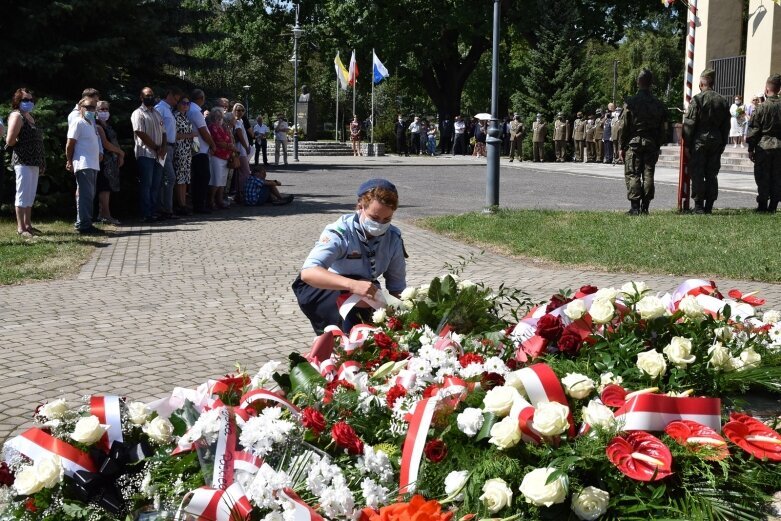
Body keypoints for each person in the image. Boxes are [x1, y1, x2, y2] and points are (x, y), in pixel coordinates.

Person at [292, 178, 406, 335]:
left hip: (364, 288)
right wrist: (352, 285)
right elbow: (308, 272)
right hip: (326, 287)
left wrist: (404, 315)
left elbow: (397, 287)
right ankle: (341, 344)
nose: (380, 224)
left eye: (387, 219)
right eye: (374, 217)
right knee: (355, 311)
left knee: (377, 323)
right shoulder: (340, 231)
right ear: (361, 206)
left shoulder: (393, 238)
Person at [619, 68, 668, 215]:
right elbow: (664, 128)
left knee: (633, 173)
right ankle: (645, 207)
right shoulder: (659, 104)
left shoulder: (631, 102)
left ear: (638, 82)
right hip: (651, 142)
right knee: (648, 174)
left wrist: (621, 146)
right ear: (651, 83)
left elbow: (624, 126)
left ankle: (635, 208)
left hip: (634, 143)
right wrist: (658, 144)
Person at [682, 69, 730, 214]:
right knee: (711, 174)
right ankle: (709, 205)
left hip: (699, 141)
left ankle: (698, 206)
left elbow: (690, 124)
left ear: (701, 83)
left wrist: (687, 143)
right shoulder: (722, 100)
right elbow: (726, 125)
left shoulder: (697, 100)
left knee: (697, 173)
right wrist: (722, 143)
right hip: (715, 140)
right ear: (713, 83)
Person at [5, 88, 45, 238]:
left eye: (30, 100)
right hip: (22, 161)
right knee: (22, 193)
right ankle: (21, 228)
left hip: (34, 161)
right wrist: (23, 146)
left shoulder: (29, 116)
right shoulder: (17, 116)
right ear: (17, 101)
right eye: (25, 100)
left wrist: (41, 161)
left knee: (30, 194)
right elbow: (10, 140)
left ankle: (28, 225)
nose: (29, 102)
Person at [66, 97, 103, 234]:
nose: (91, 110)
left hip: (93, 164)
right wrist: (69, 160)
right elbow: (70, 144)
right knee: (85, 196)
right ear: (81, 107)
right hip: (83, 164)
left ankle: (86, 222)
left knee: (90, 195)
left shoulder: (90, 123)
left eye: (93, 107)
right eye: (88, 107)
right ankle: (84, 225)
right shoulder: (78, 122)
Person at [746, 74, 781, 213]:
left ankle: (762, 206)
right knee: (777, 177)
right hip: (779, 147)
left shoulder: (761, 108)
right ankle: (773, 205)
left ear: (767, 89)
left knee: (762, 176)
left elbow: (754, 130)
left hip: (764, 146)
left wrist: (751, 149)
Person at [131, 87, 166, 223]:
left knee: (156, 185)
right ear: (141, 97)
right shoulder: (138, 113)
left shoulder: (157, 113)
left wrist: (163, 148)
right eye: (147, 95)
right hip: (145, 154)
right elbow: (140, 133)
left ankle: (153, 211)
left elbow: (164, 132)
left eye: (151, 95)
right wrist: (156, 147)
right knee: (146, 184)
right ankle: (146, 213)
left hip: (158, 155)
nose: (149, 97)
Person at [95, 100, 125, 225]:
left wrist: (119, 155)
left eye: (106, 109)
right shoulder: (97, 125)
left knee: (108, 188)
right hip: (104, 161)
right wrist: (120, 152)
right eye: (101, 109)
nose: (104, 111)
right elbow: (106, 144)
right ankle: (105, 215)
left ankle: (104, 214)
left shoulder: (108, 125)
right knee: (104, 188)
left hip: (112, 162)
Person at [155, 88, 183, 220]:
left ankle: (164, 208)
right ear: (168, 95)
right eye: (175, 98)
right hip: (164, 147)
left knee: (164, 178)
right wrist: (162, 146)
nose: (176, 101)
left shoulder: (168, 110)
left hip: (170, 147)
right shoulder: (160, 108)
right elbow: (158, 129)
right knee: (169, 177)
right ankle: (165, 209)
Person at [188, 89, 217, 214]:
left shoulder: (191, 109)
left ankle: (198, 204)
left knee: (198, 177)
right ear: (201, 98)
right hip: (200, 149)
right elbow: (203, 131)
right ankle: (200, 205)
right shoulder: (195, 111)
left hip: (196, 147)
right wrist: (212, 144)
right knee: (203, 177)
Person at [207, 108, 236, 209]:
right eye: (217, 116)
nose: (219, 119)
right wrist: (229, 146)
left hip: (225, 156)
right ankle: (211, 201)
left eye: (220, 117)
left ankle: (219, 200)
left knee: (222, 181)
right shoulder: (212, 127)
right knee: (216, 180)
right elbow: (218, 141)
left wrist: (230, 146)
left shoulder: (223, 127)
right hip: (217, 156)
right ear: (212, 117)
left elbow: (230, 138)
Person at [173, 96, 194, 214]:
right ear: (178, 104)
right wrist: (190, 135)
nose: (186, 105)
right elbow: (174, 135)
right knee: (179, 178)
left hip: (187, 151)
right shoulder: (175, 116)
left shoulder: (186, 117)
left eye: (188, 103)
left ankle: (184, 204)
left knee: (185, 178)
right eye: (183, 103)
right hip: (179, 151)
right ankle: (180, 204)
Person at [232, 103, 252, 202]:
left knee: (239, 173)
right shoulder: (237, 122)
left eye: (242, 110)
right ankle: (243, 192)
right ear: (234, 110)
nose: (240, 112)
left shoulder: (240, 121)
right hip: (240, 150)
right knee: (245, 172)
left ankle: (239, 194)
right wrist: (246, 147)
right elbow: (239, 135)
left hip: (241, 150)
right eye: (238, 110)